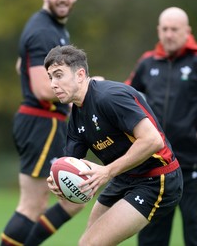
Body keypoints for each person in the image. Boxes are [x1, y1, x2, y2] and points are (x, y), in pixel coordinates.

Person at [125, 7, 197, 246]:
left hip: (191, 166)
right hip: (155, 168)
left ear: (187, 31)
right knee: (150, 238)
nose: (169, 34)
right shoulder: (148, 63)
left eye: (175, 29)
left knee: (195, 235)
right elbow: (126, 99)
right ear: (158, 31)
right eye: (165, 29)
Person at [44, 45, 183, 246]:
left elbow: (153, 140)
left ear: (80, 74)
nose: (53, 84)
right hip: (124, 177)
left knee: (91, 244)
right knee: (87, 243)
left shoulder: (109, 97)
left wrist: (107, 172)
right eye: (50, 77)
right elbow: (71, 163)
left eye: (58, 75)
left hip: (157, 178)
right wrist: (57, 179)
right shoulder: (76, 117)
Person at [0, 0, 83, 245]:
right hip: (40, 123)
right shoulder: (43, 30)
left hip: (48, 123)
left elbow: (19, 65)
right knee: (31, 205)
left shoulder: (55, 28)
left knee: (74, 199)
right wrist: (83, 88)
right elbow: (41, 87)